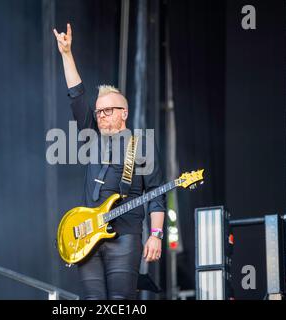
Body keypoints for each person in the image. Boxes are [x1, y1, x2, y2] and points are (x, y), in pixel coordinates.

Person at [53, 23, 166, 300]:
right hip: (87, 235)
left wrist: (156, 234)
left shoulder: (141, 145)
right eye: (98, 111)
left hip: (125, 237)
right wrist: (67, 54)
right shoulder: (92, 136)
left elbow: (156, 195)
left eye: (107, 111)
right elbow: (77, 97)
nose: (101, 115)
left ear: (124, 113)